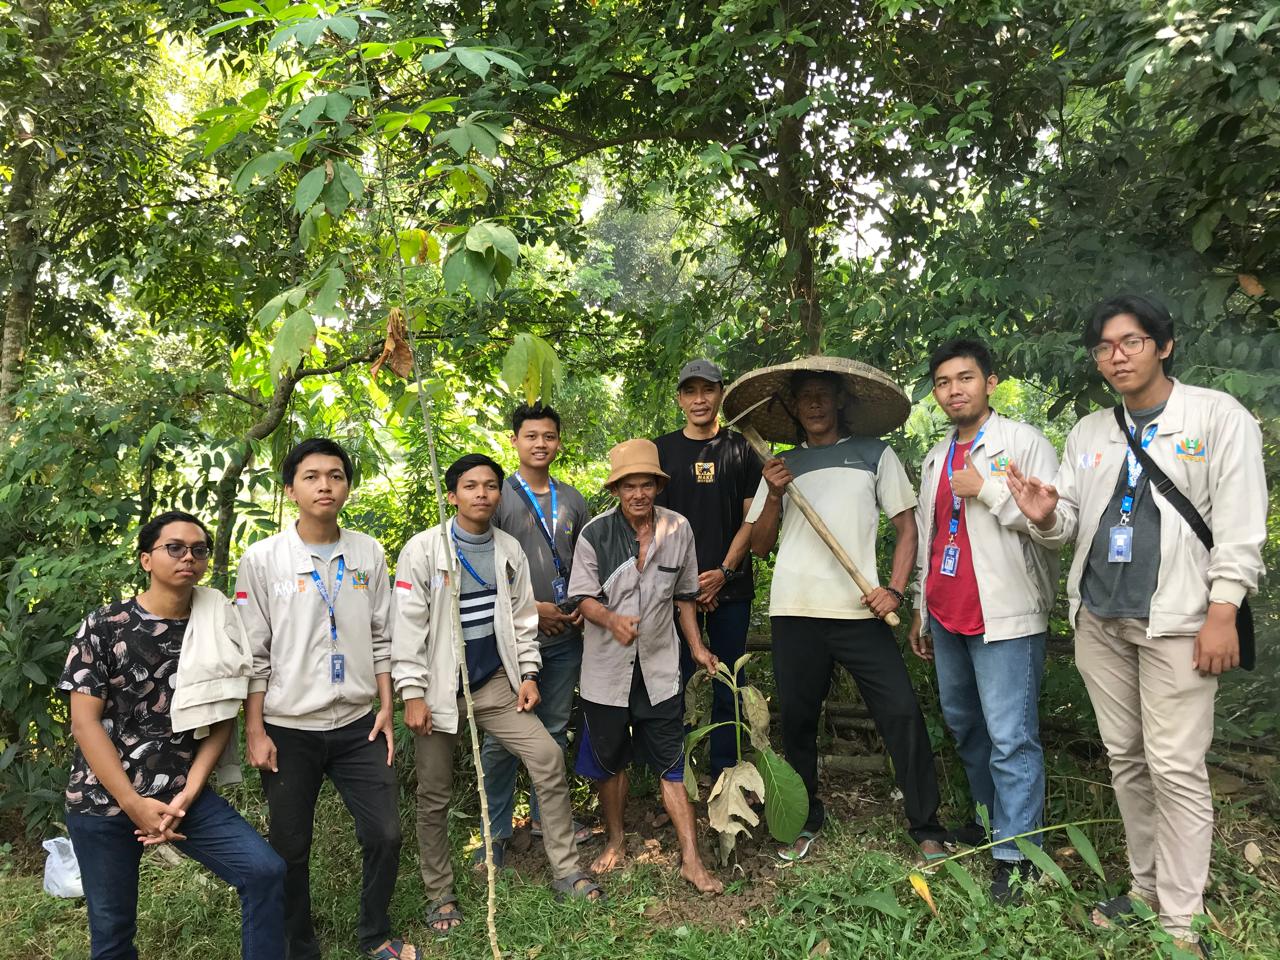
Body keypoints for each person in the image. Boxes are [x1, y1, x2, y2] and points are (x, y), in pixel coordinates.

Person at [1007, 295, 1267, 954]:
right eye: (1104, 347)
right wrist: (1044, 515)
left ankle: (1182, 922)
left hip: (1179, 620)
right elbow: (1068, 524)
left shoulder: (1216, 417)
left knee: (1175, 767)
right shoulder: (1091, 432)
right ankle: (1145, 890)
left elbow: (1241, 525)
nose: (1116, 356)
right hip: (1100, 618)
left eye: (1131, 342)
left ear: (1164, 345)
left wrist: (1223, 609)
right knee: (1127, 760)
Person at [392, 453, 603, 937]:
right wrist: (412, 693)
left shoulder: (508, 549)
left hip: (492, 685)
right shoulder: (423, 550)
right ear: (452, 495)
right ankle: (440, 893)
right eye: (471, 486)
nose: (482, 494)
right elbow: (407, 627)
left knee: (547, 755)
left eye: (490, 485)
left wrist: (528, 675)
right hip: (438, 689)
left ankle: (566, 869)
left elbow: (523, 620)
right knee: (434, 793)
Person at [60, 511, 285, 960]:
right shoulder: (105, 625)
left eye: (199, 550)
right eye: (175, 547)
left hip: (183, 795)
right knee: (112, 933)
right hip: (103, 799)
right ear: (146, 559)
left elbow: (222, 715)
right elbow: (84, 723)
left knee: (265, 871)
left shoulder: (217, 623)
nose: (189, 557)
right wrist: (133, 803)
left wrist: (188, 793)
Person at [746, 369, 948, 861]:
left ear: (840, 401)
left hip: (861, 612)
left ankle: (926, 826)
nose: (814, 404)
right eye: (805, 398)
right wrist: (774, 494)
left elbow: (907, 529)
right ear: (794, 408)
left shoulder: (875, 455)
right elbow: (760, 545)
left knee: (901, 712)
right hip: (795, 610)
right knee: (798, 721)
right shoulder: (781, 466)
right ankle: (804, 820)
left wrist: (894, 590)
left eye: (823, 395)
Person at [234, 439, 416, 960]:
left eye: (336, 476)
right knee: (290, 848)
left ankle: (374, 934)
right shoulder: (263, 559)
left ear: (348, 487)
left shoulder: (367, 553)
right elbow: (254, 654)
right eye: (311, 477)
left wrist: (387, 707)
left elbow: (382, 636)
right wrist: (255, 730)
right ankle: (300, 946)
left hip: (359, 722)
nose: (325, 486)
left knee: (385, 833)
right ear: (291, 489)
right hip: (288, 727)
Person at [907, 338, 1059, 902]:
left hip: (1006, 616)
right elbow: (930, 539)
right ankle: (990, 821)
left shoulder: (1022, 443)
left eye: (965, 378)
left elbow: (1056, 525)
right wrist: (921, 608)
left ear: (990, 382)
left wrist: (989, 490)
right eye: (943, 382)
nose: (955, 391)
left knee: (1011, 737)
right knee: (965, 725)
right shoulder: (934, 457)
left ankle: (1018, 855)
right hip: (948, 614)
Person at [569, 439, 725, 894]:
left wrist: (696, 647)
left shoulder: (678, 529)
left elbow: (686, 597)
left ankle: (691, 860)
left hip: (659, 667)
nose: (638, 494)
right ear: (616, 489)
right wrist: (611, 620)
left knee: (672, 762)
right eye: (628, 486)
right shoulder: (595, 534)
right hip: (606, 671)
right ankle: (616, 840)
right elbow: (583, 598)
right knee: (610, 761)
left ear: (658, 486)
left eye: (646, 485)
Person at [476, 403, 594, 864]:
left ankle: (547, 819)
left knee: (554, 727)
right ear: (515, 441)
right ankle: (496, 831)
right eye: (531, 436)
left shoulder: (572, 499)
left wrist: (582, 605)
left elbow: (584, 563)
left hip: (564, 636)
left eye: (548, 436)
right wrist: (531, 609)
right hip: (510, 642)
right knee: (501, 739)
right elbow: (482, 571)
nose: (540, 443)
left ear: (559, 442)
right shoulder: (497, 497)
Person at [653, 359, 762, 783]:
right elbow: (653, 522)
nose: (700, 399)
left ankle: (726, 773)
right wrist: (688, 586)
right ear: (680, 399)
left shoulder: (742, 449)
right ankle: (676, 776)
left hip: (730, 588)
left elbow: (751, 519)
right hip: (674, 592)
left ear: (721, 393)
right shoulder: (662, 451)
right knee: (675, 682)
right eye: (691, 391)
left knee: (728, 680)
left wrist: (723, 571)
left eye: (708, 390)